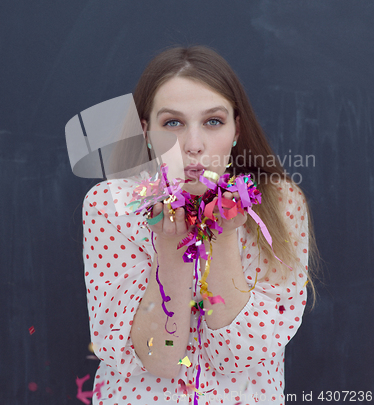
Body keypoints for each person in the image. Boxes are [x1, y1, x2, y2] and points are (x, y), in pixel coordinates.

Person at [82, 45, 319, 405]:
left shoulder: (281, 206)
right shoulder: (110, 206)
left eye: (213, 121)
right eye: (172, 123)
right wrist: (171, 251)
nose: (194, 145)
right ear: (146, 132)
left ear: (237, 129)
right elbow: (159, 360)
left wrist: (224, 238)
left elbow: (236, 357)